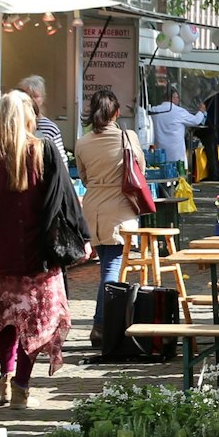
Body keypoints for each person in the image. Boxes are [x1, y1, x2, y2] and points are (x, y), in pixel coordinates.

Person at [0, 91, 73, 408]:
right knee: (36, 318)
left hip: (2, 248)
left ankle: (5, 376)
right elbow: (61, 201)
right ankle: (21, 387)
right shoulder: (41, 151)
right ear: (29, 117)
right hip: (37, 249)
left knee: (6, 315)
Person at [74, 89, 142, 297]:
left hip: (93, 207)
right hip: (119, 208)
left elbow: (84, 177)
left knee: (106, 263)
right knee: (112, 267)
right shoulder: (127, 137)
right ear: (117, 113)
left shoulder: (82, 142)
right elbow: (140, 170)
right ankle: (102, 321)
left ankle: (103, 321)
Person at [146, 86, 204, 174]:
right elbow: (196, 121)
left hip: (160, 154)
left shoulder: (154, 110)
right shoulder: (179, 111)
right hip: (176, 154)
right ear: (172, 98)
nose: (178, 100)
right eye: (177, 98)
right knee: (178, 179)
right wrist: (201, 112)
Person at [21, 74, 61, 149]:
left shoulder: (50, 128)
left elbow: (60, 158)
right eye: (28, 96)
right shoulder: (15, 124)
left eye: (35, 96)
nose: (31, 100)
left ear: (42, 99)